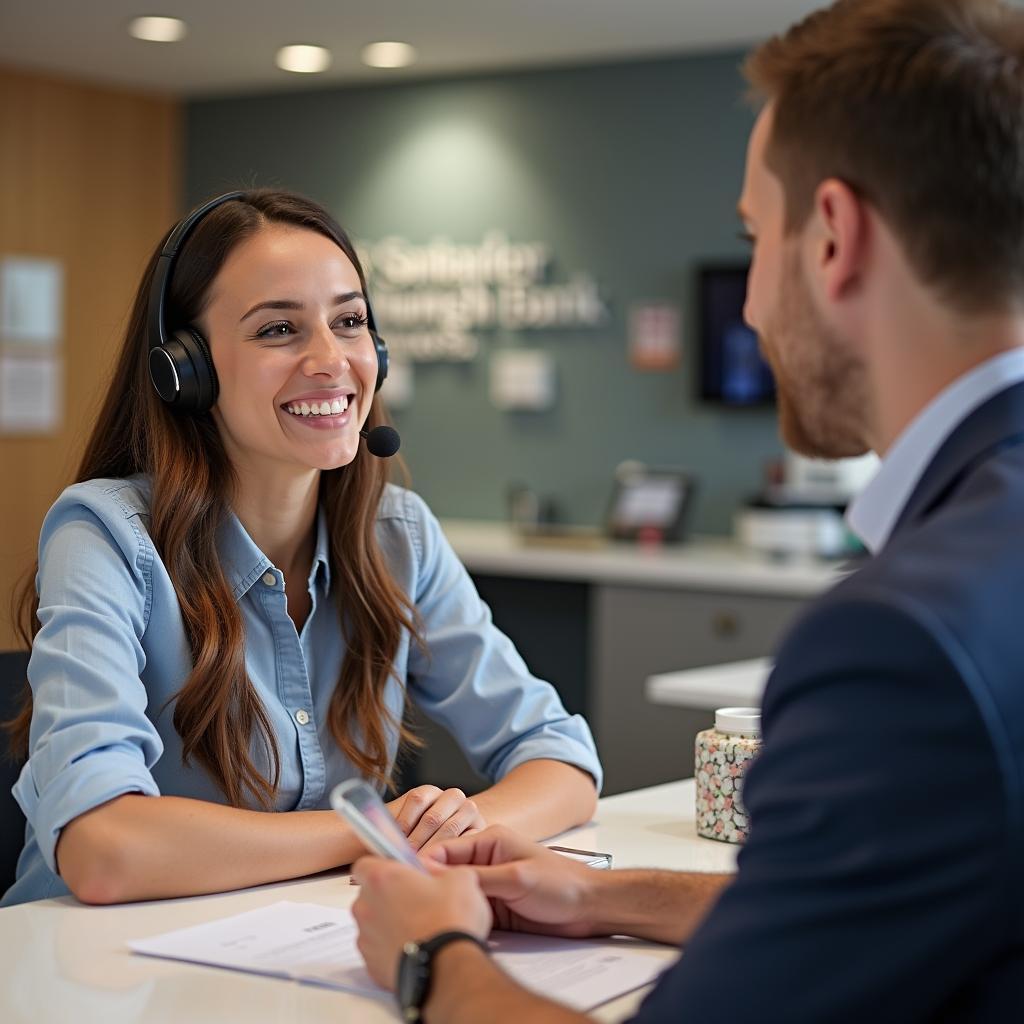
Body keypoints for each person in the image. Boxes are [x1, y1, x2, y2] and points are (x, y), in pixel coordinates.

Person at [349, 0, 1024, 1019]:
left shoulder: (904, 639)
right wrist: (600, 891)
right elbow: (908, 904)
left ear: (832, 236)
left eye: (754, 237)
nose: (750, 304)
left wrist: (431, 954)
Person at [1, 189, 601, 908]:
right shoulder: (104, 534)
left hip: (302, 945)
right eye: (279, 330)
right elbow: (104, 848)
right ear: (185, 369)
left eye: (349, 321)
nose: (331, 360)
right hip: (94, 973)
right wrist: (370, 834)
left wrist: (458, 826)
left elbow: (561, 759)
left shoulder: (395, 532)